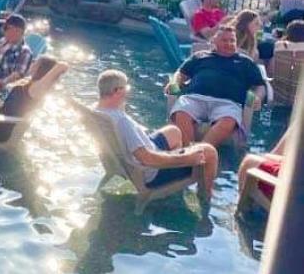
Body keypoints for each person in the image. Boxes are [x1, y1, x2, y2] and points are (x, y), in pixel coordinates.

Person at [95, 69, 217, 199]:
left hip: (130, 157)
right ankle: (206, 195)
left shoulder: (97, 112)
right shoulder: (122, 122)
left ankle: (177, 175)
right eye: (126, 88)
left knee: (173, 131)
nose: (128, 91)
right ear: (117, 91)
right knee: (209, 151)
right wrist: (186, 159)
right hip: (149, 173)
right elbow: (147, 159)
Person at [167, 25, 267, 147]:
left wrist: (258, 97)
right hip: (195, 99)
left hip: (228, 103)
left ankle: (201, 152)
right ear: (214, 41)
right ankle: (188, 151)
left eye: (232, 40)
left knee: (229, 120)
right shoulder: (200, 56)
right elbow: (181, 74)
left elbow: (260, 85)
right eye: (224, 40)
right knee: (181, 112)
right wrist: (174, 83)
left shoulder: (245, 62)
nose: (229, 43)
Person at [238, 129, 288, 201]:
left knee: (249, 162)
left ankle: (242, 208)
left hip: (293, 191)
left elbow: (293, 163)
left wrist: (268, 156)